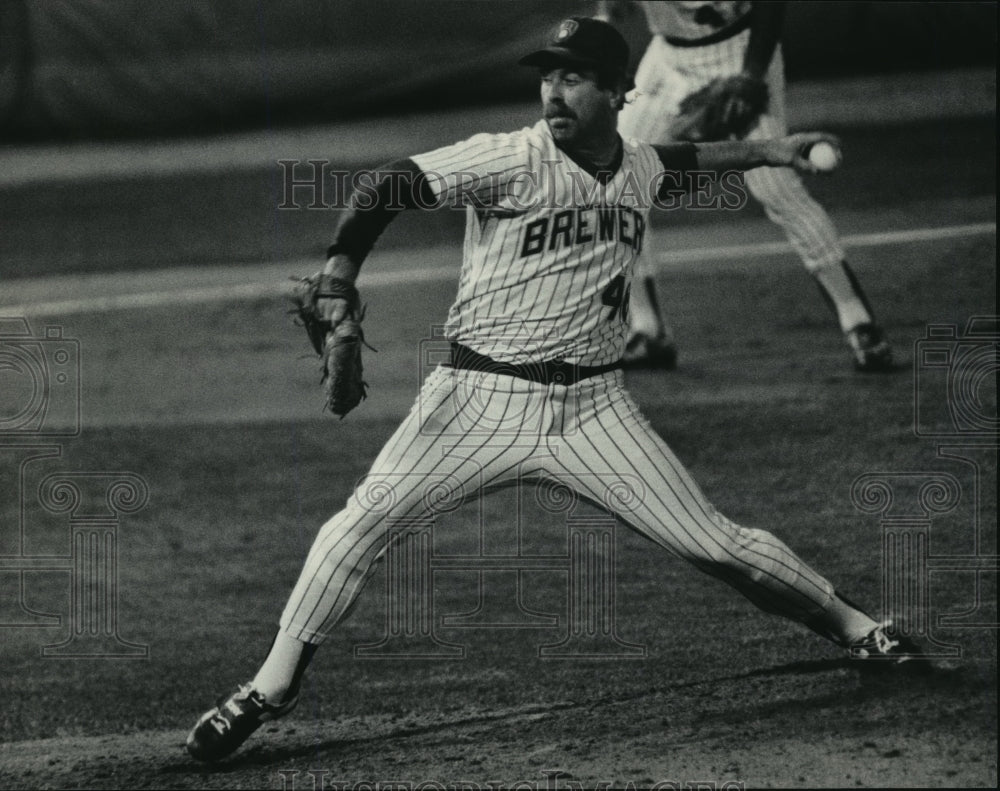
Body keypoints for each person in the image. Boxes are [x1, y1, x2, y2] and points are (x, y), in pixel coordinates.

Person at [186, 17, 922, 763]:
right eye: (548, 76)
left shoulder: (635, 166)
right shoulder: (509, 158)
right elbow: (389, 184)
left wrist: (771, 148)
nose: (554, 91)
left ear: (616, 92)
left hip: (596, 411)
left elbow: (684, 157)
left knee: (720, 545)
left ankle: (860, 627)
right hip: (476, 402)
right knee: (354, 529)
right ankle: (266, 690)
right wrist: (342, 268)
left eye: (573, 77)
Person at [597, 1, 894, 372]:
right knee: (613, 181)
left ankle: (858, 320)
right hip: (666, 61)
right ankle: (648, 330)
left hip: (740, 52)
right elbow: (615, 10)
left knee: (777, 188)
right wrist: (606, 21)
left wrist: (752, 77)